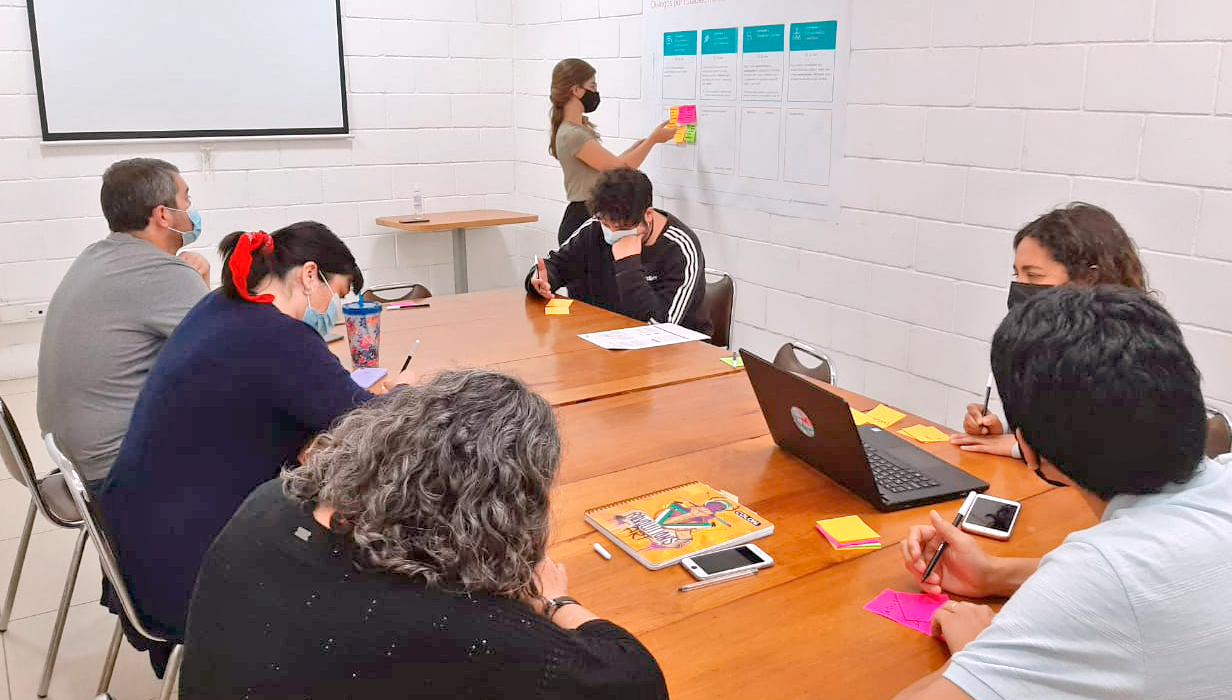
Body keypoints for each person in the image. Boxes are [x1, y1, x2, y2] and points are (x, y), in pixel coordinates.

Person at [182, 369, 669, 699]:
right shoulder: (463, 628)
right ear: (505, 509)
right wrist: (555, 602)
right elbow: (635, 682)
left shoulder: (271, 500)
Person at [97, 222, 415, 675]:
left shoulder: (218, 307)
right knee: (365, 549)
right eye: (335, 293)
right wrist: (405, 393)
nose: (333, 310)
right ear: (310, 275)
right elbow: (373, 424)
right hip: (188, 572)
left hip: (138, 543)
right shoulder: (279, 338)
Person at [894, 285, 1232, 700]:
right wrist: (995, 575)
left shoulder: (1103, 576)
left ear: (1031, 450)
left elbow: (1115, 584)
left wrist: (973, 653)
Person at [37, 158, 209, 487]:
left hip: (73, 460)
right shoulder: (166, 274)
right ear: (163, 214)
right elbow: (231, 358)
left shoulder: (96, 255)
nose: (192, 209)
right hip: (118, 472)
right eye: (187, 199)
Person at [950, 203, 1149, 457]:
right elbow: (1054, 430)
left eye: (1033, 276)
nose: (1021, 287)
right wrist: (1007, 435)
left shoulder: (1126, 350)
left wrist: (1017, 447)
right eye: (1017, 275)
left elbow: (1108, 448)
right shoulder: (1045, 340)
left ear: (1089, 279)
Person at [525, 167, 711, 335]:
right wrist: (540, 281)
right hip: (610, 336)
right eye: (607, 224)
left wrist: (628, 265)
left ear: (648, 215)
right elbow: (557, 265)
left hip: (677, 352)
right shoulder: (596, 227)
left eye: (622, 227)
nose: (613, 233)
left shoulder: (680, 248)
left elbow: (659, 326)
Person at [549, 58, 677, 244]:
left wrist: (640, 146)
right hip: (583, 217)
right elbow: (619, 170)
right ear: (576, 90)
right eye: (592, 86)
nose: (595, 92)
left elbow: (608, 166)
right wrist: (653, 140)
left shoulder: (578, 129)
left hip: (590, 214)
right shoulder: (573, 134)